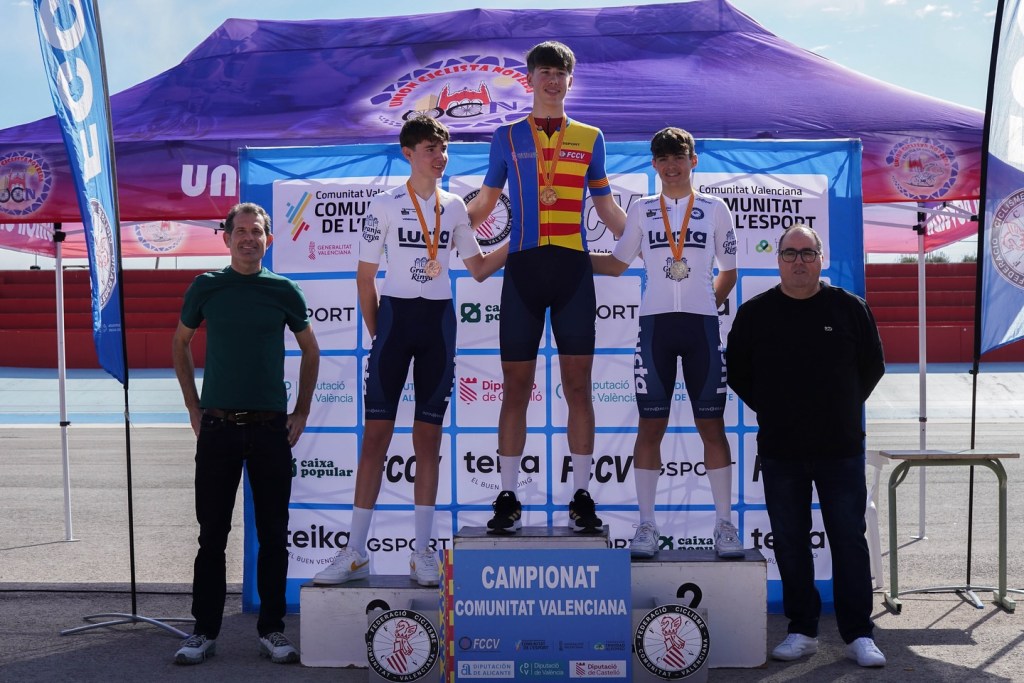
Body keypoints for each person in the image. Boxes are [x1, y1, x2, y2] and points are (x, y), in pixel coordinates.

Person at [311, 116, 508, 587]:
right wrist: (381, 335)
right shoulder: (383, 204)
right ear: (407, 153)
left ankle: (422, 552)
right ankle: (355, 551)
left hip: (438, 326)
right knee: (375, 440)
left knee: (428, 443)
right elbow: (365, 279)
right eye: (429, 149)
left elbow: (478, 268)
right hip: (395, 325)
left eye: (443, 149)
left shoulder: (454, 206)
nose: (440, 157)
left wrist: (519, 239)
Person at [467, 40, 626, 535]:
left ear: (570, 81)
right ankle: (507, 495)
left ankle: (581, 494)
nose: (552, 81)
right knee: (515, 387)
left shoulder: (591, 137)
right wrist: (440, 221)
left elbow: (606, 208)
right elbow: (483, 204)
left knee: (578, 386)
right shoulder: (506, 136)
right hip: (524, 271)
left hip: (573, 271)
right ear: (530, 79)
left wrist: (648, 239)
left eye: (560, 74)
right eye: (545, 73)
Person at [725, 224, 886, 668]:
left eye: (807, 253)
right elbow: (738, 372)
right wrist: (777, 409)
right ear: (778, 260)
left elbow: (872, 367)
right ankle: (802, 630)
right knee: (791, 542)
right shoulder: (755, 314)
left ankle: (859, 634)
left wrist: (840, 407)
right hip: (782, 449)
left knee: (849, 540)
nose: (799, 261)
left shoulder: (850, 308)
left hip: (841, 449)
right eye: (790, 253)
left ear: (821, 258)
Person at [171, 202, 320, 665]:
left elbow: (311, 350)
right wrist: (193, 406)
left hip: (270, 430)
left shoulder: (284, 290)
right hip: (217, 427)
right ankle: (203, 631)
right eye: (241, 231)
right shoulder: (206, 286)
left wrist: (301, 411)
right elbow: (180, 342)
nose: (248, 238)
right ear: (226, 237)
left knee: (274, 535)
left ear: (268, 240)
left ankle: (272, 630)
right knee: (212, 535)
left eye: (257, 232)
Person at [591, 127, 741, 559]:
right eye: (663, 158)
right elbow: (617, 264)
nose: (671, 165)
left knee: (712, 426)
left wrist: (705, 303)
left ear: (693, 160)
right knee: (649, 426)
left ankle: (724, 525)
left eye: (679, 157)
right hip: (655, 328)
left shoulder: (715, 209)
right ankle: (646, 525)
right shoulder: (641, 209)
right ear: (654, 164)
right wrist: (566, 258)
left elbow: (729, 271)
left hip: (701, 330)